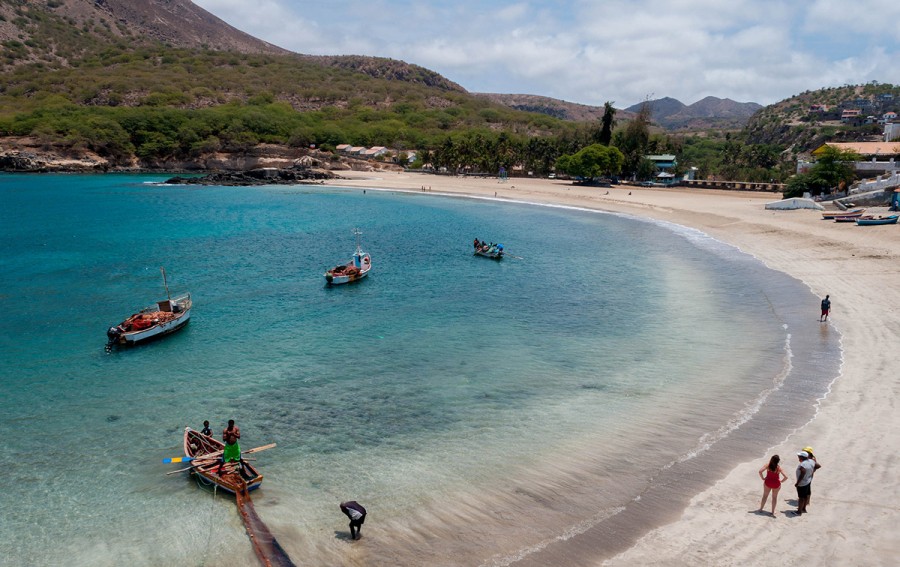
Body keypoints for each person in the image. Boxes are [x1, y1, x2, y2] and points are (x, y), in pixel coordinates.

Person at [794, 451, 815, 515]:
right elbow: (818, 465)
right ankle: (803, 508)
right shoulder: (811, 461)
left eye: (799, 456)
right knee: (805, 496)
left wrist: (797, 483)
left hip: (802, 483)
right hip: (808, 481)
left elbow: (803, 472)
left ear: (802, 457)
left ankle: (799, 512)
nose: (798, 457)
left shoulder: (802, 464)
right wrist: (811, 472)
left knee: (801, 498)